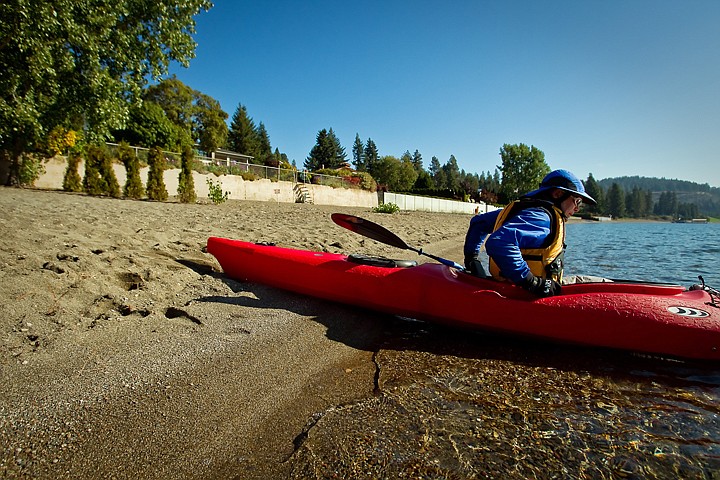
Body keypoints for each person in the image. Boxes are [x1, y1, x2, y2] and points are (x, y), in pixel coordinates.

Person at [463, 169, 600, 297]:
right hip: (525, 293)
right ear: (557, 194)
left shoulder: (525, 210)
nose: (577, 208)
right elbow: (499, 242)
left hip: (510, 284)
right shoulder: (541, 217)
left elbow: (478, 223)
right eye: (577, 201)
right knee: (598, 283)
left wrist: (472, 260)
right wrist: (532, 282)